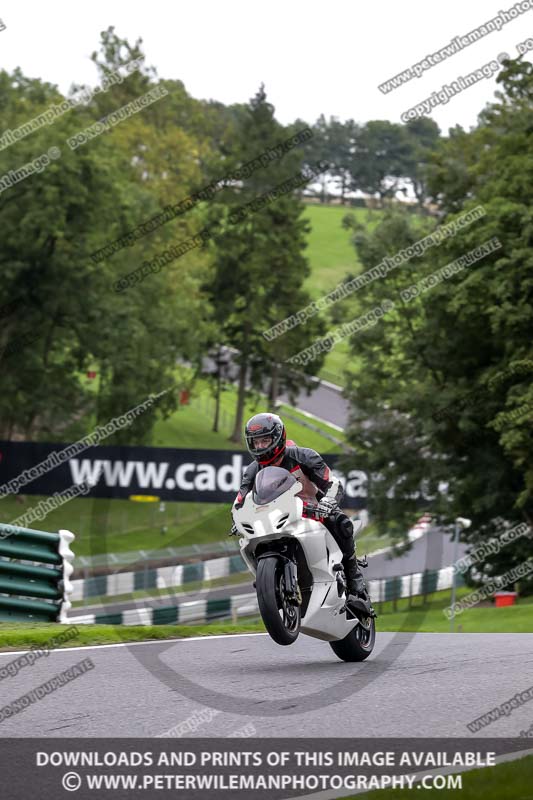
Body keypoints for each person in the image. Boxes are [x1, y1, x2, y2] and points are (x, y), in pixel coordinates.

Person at [232, 412, 375, 618]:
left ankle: (354, 577)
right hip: (274, 517)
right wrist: (237, 519)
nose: (261, 446)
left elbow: (333, 483)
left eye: (265, 440)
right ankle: (269, 582)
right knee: (249, 540)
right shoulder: (252, 470)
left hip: (312, 510)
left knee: (341, 522)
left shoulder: (303, 456)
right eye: (256, 442)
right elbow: (239, 501)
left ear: (278, 438)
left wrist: (327, 503)